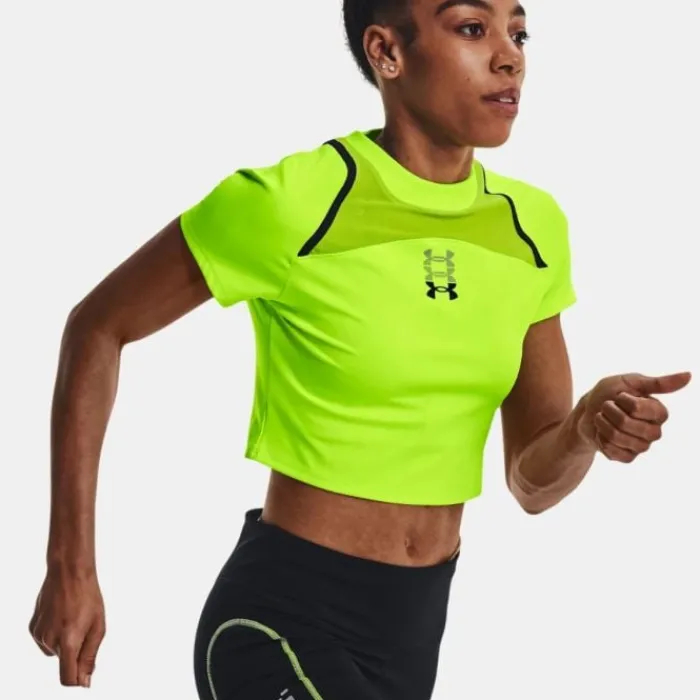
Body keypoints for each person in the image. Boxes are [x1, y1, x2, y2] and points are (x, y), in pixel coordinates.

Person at [28, 0, 691, 698]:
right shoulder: (294, 201)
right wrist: (71, 563)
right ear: (386, 52)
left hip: (413, 636)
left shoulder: (533, 228)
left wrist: (585, 428)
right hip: (280, 621)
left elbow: (531, 482)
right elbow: (97, 326)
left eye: (519, 32)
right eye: (472, 28)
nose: (510, 57)